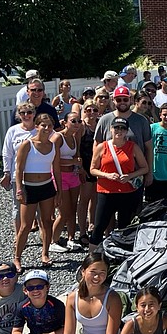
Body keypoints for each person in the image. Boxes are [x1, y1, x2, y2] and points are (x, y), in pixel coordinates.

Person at [89, 117, 149, 251]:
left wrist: (130, 176)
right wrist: (107, 175)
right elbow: (92, 169)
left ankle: (121, 257)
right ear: (111, 129)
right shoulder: (102, 146)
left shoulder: (133, 147)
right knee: (99, 226)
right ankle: (91, 260)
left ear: (127, 131)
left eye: (122, 128)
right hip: (106, 192)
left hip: (127, 192)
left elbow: (144, 168)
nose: (119, 131)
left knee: (125, 228)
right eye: (116, 128)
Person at [13, 113, 62, 271]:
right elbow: (19, 169)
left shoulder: (53, 146)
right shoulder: (27, 144)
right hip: (29, 187)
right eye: (44, 125)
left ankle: (45, 253)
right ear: (37, 126)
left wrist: (59, 191)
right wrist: (19, 189)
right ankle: (17, 258)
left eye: (50, 126)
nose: (47, 128)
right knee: (25, 226)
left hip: (47, 186)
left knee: (47, 222)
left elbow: (56, 170)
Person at [94, 86, 154, 190]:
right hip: (110, 178)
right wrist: (98, 171)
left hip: (134, 177)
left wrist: (149, 173)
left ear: (130, 100)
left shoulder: (141, 121)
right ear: (113, 100)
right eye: (119, 99)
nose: (122, 102)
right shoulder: (104, 120)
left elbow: (149, 148)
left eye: (125, 99)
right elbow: (96, 146)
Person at [49, 109, 84, 252]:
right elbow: (52, 160)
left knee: (73, 209)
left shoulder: (75, 137)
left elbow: (76, 157)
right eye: (73, 121)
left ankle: (71, 238)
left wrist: (78, 164)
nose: (76, 124)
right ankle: (53, 241)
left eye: (79, 121)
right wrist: (73, 162)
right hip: (60, 177)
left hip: (73, 177)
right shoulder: (58, 137)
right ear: (65, 123)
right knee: (64, 212)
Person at [1, 102, 38, 234]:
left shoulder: (40, 130)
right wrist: (7, 172)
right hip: (18, 175)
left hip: (38, 175)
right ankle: (19, 236)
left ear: (34, 114)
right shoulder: (13, 131)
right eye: (23, 113)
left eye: (29, 112)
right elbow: (7, 153)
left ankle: (45, 237)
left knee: (40, 207)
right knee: (18, 206)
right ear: (18, 115)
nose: (26, 115)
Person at [77, 100, 100, 248]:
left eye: (94, 110)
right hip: (85, 166)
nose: (91, 113)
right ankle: (82, 231)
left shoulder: (99, 124)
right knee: (84, 200)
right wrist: (81, 169)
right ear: (84, 110)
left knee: (95, 199)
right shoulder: (81, 127)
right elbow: (77, 148)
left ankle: (92, 225)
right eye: (88, 110)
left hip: (97, 167)